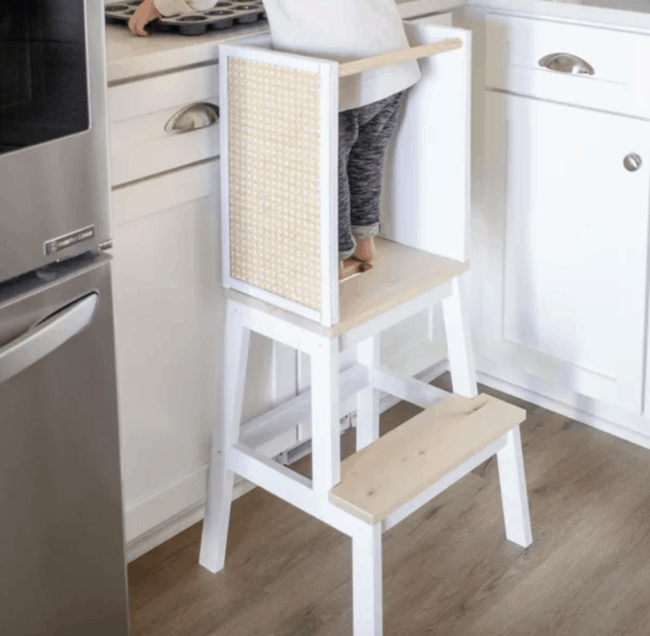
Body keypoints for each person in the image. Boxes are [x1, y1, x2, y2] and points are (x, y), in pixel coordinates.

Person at [129, 0, 421, 280]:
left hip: (339, 66)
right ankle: (364, 241)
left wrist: (159, 4)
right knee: (367, 158)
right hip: (392, 57)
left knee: (329, 170)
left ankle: (334, 257)